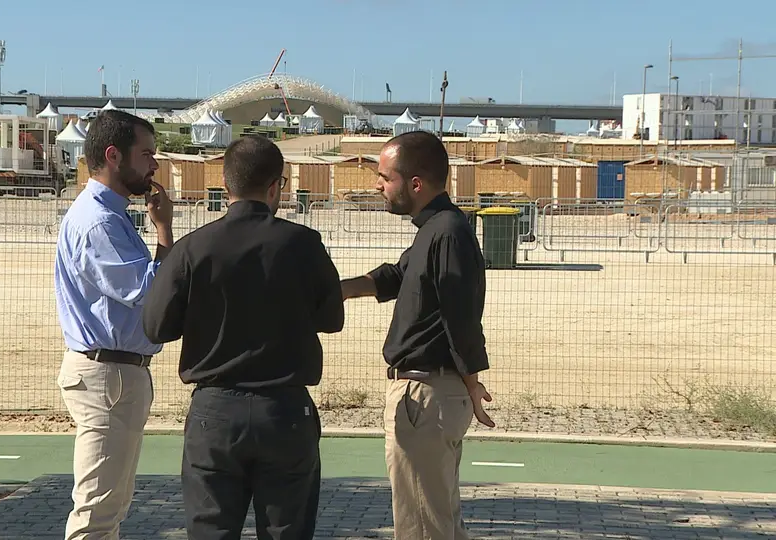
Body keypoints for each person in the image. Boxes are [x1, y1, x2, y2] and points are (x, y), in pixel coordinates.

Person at [142, 135, 344, 540]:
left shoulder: (192, 248)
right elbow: (332, 318)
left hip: (215, 412)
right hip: (285, 410)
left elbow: (155, 326)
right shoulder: (303, 244)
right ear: (276, 187)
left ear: (225, 184)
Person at [340, 130, 495, 540]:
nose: (377, 185)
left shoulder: (446, 232)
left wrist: (471, 383)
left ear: (415, 184)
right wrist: (333, 291)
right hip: (428, 397)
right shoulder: (436, 228)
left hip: (426, 396)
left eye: (384, 177)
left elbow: (459, 316)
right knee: (439, 522)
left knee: (423, 527)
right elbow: (396, 275)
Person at [53, 109, 174, 540]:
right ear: (113, 156)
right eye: (146, 154)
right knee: (97, 513)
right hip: (108, 374)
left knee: (110, 505)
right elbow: (149, 290)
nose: (154, 165)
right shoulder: (100, 220)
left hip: (115, 371)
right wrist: (164, 232)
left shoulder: (109, 213)